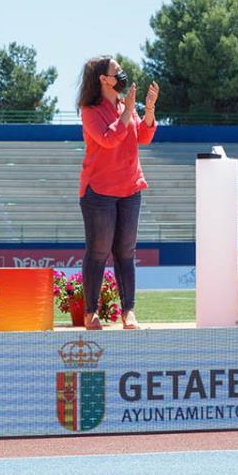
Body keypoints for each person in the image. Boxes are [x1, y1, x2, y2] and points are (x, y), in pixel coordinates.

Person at [77, 56, 158, 330]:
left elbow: (143, 137)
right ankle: (90, 312)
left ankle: (129, 311)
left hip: (130, 187)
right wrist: (128, 112)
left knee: (126, 251)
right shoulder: (90, 110)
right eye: (116, 71)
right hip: (98, 190)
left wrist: (148, 110)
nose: (122, 75)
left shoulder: (126, 106)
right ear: (103, 79)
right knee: (98, 251)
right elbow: (108, 140)